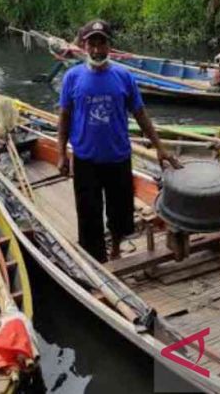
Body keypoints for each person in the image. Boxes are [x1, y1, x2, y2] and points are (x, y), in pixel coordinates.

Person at [57, 20, 180, 262]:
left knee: (120, 212)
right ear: (84, 46)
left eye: (101, 43)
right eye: (91, 43)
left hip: (118, 157)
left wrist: (160, 148)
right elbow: (64, 116)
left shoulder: (123, 77)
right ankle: (97, 259)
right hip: (85, 159)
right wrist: (61, 153)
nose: (96, 50)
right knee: (89, 214)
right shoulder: (72, 77)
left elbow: (140, 114)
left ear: (109, 46)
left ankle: (115, 249)